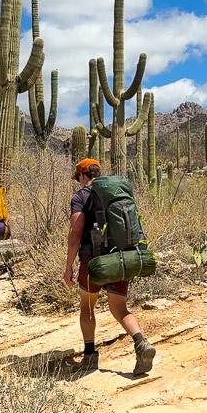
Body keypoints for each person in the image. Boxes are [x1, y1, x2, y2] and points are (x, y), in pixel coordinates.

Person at [63, 159, 156, 374]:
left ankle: (89, 356)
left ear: (83, 176)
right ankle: (141, 343)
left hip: (93, 261)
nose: (78, 181)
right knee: (119, 308)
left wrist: (69, 266)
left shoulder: (81, 197)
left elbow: (75, 234)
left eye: (78, 177)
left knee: (87, 306)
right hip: (121, 258)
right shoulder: (116, 192)